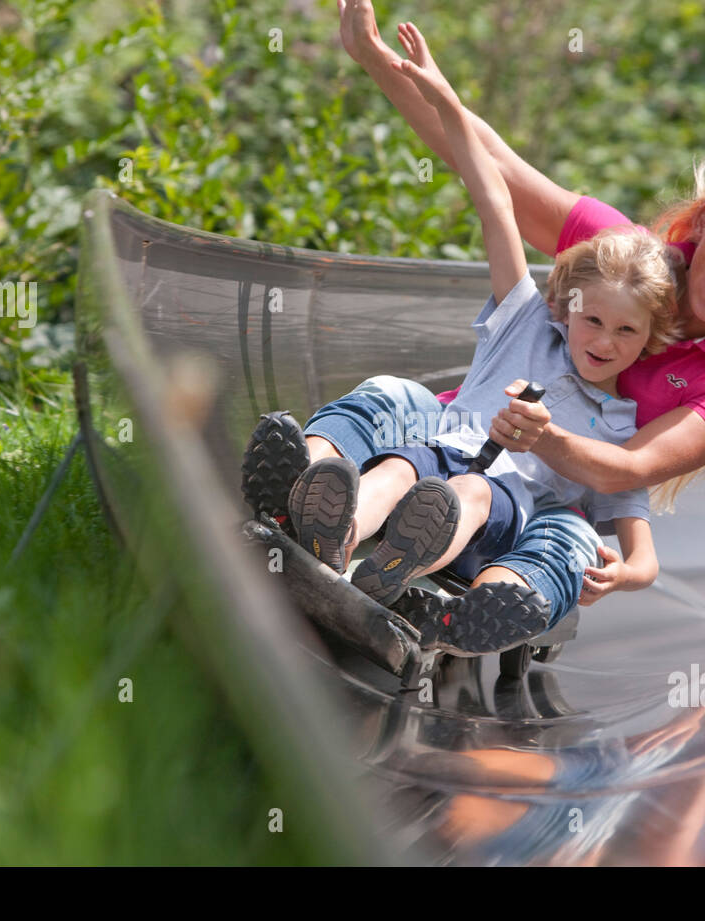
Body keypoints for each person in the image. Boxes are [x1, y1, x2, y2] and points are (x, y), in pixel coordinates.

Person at [242, 1, 705, 648]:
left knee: (566, 534)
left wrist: (554, 453)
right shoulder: (617, 261)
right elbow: (490, 171)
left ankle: (459, 617)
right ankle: (308, 493)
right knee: (395, 399)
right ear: (701, 224)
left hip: (534, 502)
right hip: (448, 441)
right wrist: (376, 60)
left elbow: (620, 476)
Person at [280, 21, 678, 652]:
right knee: (406, 469)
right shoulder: (523, 322)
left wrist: (626, 573)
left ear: (651, 340)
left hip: (498, 517)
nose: (604, 339)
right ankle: (338, 537)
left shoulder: (619, 429)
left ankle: (412, 568)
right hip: (438, 460)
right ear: (564, 309)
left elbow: (644, 553)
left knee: (462, 489)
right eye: (593, 319)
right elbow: (493, 198)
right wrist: (443, 97)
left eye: (627, 330)